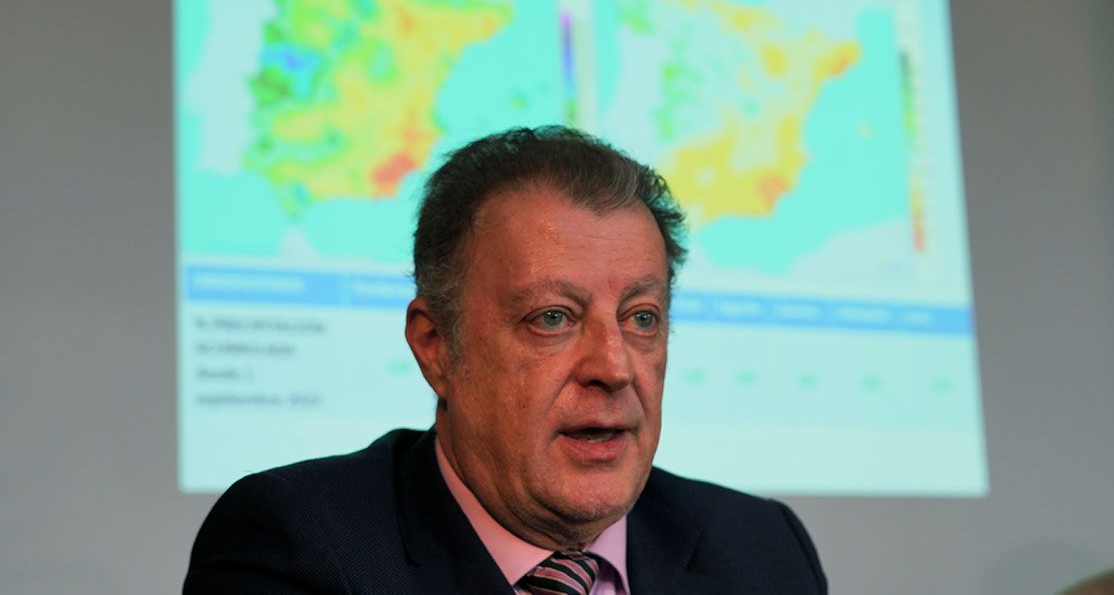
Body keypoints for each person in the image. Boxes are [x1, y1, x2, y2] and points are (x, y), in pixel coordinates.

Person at [184, 126, 827, 594]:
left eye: (641, 318)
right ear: (436, 345)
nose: (614, 367)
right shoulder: (299, 547)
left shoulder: (761, 552)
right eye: (553, 318)